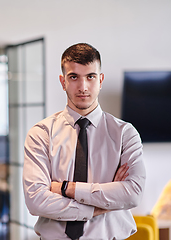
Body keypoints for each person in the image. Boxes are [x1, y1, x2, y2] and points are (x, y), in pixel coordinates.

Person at [22, 43, 146, 240]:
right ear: (63, 82)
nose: (83, 87)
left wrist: (65, 188)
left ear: (101, 80)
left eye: (90, 76)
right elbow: (36, 201)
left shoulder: (125, 133)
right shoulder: (41, 133)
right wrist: (101, 205)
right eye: (74, 77)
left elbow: (132, 194)